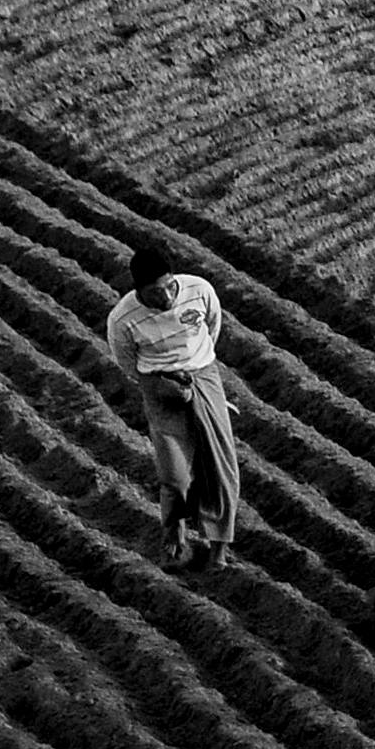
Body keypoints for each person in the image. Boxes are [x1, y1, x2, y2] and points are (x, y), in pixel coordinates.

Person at [104, 241, 242, 567]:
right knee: (176, 476)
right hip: (159, 386)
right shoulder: (123, 319)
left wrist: (195, 367)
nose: (165, 297)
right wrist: (161, 382)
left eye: (169, 287)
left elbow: (212, 326)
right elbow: (128, 363)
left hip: (203, 375)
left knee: (221, 468)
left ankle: (219, 552)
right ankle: (175, 540)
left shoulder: (199, 290)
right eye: (155, 293)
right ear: (139, 291)